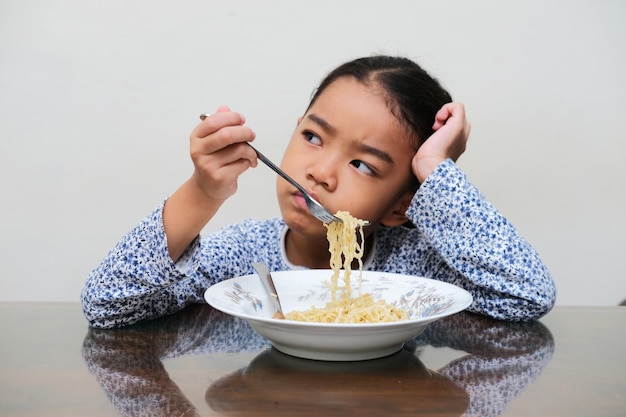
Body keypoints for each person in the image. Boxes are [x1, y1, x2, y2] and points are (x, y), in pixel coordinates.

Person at [81, 55, 556, 329]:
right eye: (312, 137)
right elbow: (106, 304)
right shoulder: (241, 256)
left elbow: (527, 297)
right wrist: (203, 191)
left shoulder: (415, 271)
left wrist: (435, 169)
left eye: (362, 165)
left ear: (401, 206)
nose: (321, 172)